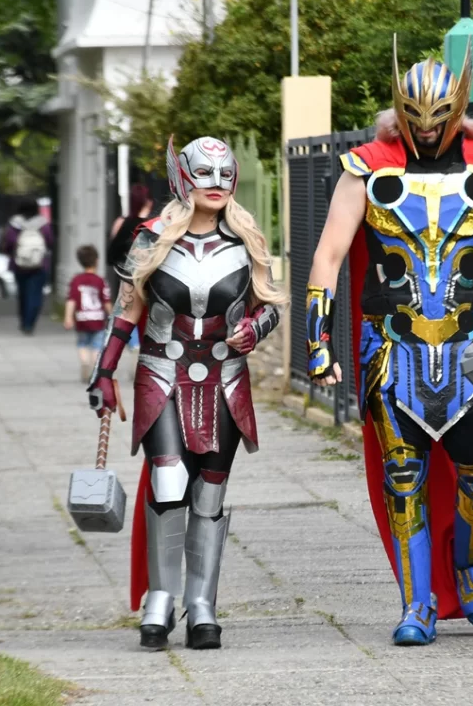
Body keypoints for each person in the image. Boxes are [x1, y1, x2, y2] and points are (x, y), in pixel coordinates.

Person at [306, 41, 473, 646]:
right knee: (403, 477)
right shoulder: (366, 168)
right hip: (393, 352)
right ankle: (416, 602)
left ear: (458, 109)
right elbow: (329, 255)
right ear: (400, 110)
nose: (425, 132)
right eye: (415, 119)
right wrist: (317, 342)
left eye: (438, 119)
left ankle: (470, 567)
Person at [87, 135, 286, 650]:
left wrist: (254, 330)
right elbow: (127, 310)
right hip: (161, 376)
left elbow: (271, 306)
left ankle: (202, 605)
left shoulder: (246, 239)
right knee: (169, 480)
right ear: (183, 177)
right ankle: (161, 597)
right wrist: (104, 374)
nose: (215, 185)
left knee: (210, 492)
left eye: (224, 175)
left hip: (225, 379)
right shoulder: (150, 239)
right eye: (204, 174)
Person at [107, 184, 155, 353]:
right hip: (149, 281)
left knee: (126, 312)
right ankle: (138, 346)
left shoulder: (122, 223)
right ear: (148, 202)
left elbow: (112, 253)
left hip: (124, 276)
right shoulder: (154, 227)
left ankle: (131, 342)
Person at [3, 198, 53, 334]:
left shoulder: (14, 224)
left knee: (23, 294)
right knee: (35, 294)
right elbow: (49, 241)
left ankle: (24, 321)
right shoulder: (43, 224)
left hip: (19, 264)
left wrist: (11, 253)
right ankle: (30, 324)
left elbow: (9, 243)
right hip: (39, 264)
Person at [64, 245, 113, 383]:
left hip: (81, 319)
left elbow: (71, 300)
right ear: (97, 261)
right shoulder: (101, 281)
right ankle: (93, 367)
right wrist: (112, 316)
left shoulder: (76, 280)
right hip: (97, 319)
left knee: (82, 343)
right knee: (97, 345)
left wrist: (68, 317)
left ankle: (84, 362)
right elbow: (106, 302)